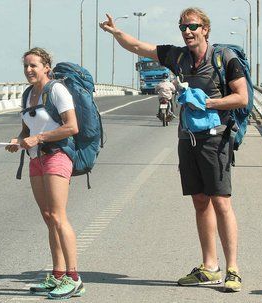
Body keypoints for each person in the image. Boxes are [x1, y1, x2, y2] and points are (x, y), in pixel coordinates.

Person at [100, 7, 247, 292]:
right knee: (200, 201)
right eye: (182, 27)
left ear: (205, 28)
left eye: (192, 26)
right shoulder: (177, 56)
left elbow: (240, 97)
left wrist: (208, 103)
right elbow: (138, 46)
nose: (187, 31)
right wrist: (116, 32)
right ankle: (209, 266)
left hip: (216, 138)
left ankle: (232, 269)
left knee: (221, 202)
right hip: (188, 138)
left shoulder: (224, 58)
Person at [5, 47, 85, 299]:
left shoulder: (57, 90)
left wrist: (39, 137)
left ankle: (74, 278)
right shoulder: (28, 94)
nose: (29, 70)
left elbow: (72, 127)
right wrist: (18, 140)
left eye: (34, 65)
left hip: (57, 155)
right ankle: (58, 274)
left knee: (59, 216)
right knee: (49, 216)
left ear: (46, 67)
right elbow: (26, 131)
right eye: (26, 66)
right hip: (35, 159)